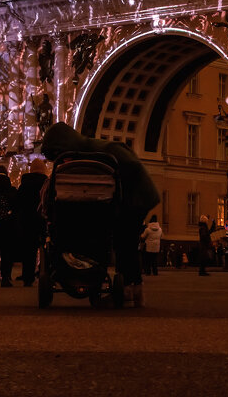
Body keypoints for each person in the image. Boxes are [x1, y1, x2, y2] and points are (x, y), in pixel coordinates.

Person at [40, 122, 161, 307]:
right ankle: (133, 291)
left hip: (137, 197)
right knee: (126, 242)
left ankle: (130, 291)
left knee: (125, 241)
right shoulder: (94, 151)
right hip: (131, 198)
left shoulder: (102, 152)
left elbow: (131, 168)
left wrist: (120, 197)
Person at [15, 158, 48, 286]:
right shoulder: (46, 183)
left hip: (27, 222)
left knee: (29, 251)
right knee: (46, 249)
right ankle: (45, 273)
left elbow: (18, 203)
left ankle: (28, 277)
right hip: (43, 220)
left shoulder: (24, 184)